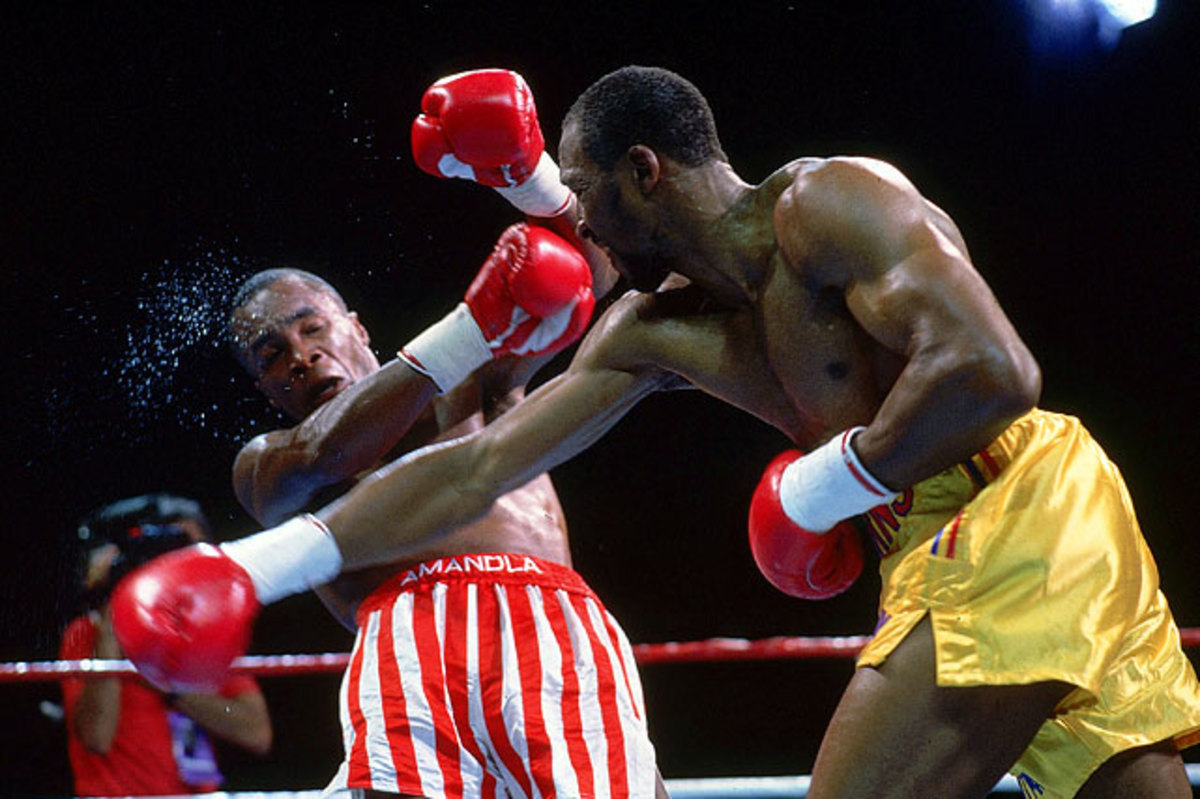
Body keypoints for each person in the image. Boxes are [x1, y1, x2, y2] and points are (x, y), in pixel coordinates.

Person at [114, 65, 1200, 798]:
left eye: (582, 192)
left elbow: (995, 370)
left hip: (1016, 502)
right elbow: (484, 464)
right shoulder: (656, 330)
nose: (571, 221)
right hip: (943, 539)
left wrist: (821, 489)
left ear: (646, 172)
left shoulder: (829, 205)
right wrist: (253, 567)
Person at [213, 71, 660, 799]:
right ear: (264, 387)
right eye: (272, 355)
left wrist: (532, 181)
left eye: (311, 328)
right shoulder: (269, 462)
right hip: (406, 638)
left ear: (354, 326)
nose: (300, 355)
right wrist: (472, 326)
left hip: (547, 619)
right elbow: (329, 450)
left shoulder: (469, 382)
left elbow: (589, 273)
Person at [61, 493, 272, 797]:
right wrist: (112, 630)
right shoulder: (86, 632)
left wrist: (166, 680)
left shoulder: (206, 633)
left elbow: (257, 733)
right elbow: (96, 738)